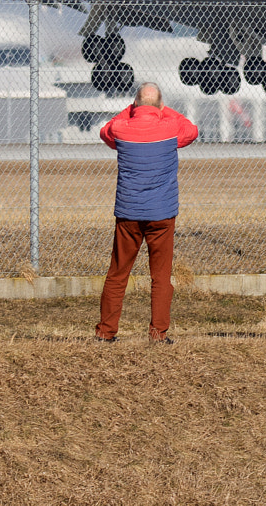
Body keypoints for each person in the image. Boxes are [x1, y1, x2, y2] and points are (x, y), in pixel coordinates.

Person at [94, 82, 199, 342]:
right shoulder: (171, 127)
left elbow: (105, 131)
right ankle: (158, 333)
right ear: (160, 103)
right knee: (161, 277)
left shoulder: (121, 127)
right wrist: (163, 110)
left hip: (128, 212)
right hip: (162, 213)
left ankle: (106, 332)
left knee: (117, 273)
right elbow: (192, 130)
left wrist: (132, 110)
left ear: (135, 103)